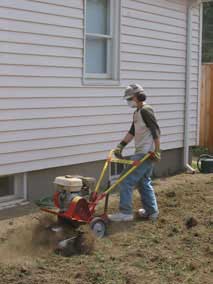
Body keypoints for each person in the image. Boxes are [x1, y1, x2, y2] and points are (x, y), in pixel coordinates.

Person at [108, 83, 161, 222]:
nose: (128, 101)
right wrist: (120, 146)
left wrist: (157, 151)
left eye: (129, 98)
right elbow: (132, 131)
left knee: (125, 180)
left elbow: (156, 131)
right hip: (143, 152)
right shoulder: (137, 112)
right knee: (144, 181)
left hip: (145, 153)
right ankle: (152, 211)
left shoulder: (146, 110)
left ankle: (125, 213)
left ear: (138, 97)